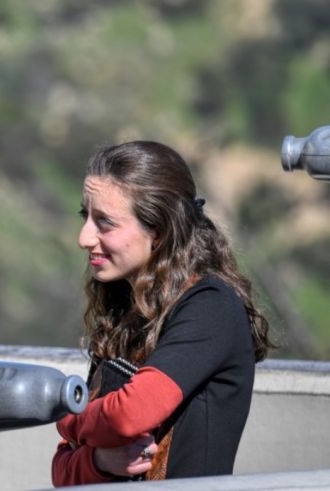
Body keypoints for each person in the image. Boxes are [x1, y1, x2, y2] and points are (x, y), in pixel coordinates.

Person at [51, 141, 274, 485]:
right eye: (86, 217)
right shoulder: (123, 311)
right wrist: (99, 461)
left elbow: (131, 414)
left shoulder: (209, 305)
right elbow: (62, 469)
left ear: (159, 230)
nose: (84, 238)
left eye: (104, 223)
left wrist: (69, 416)